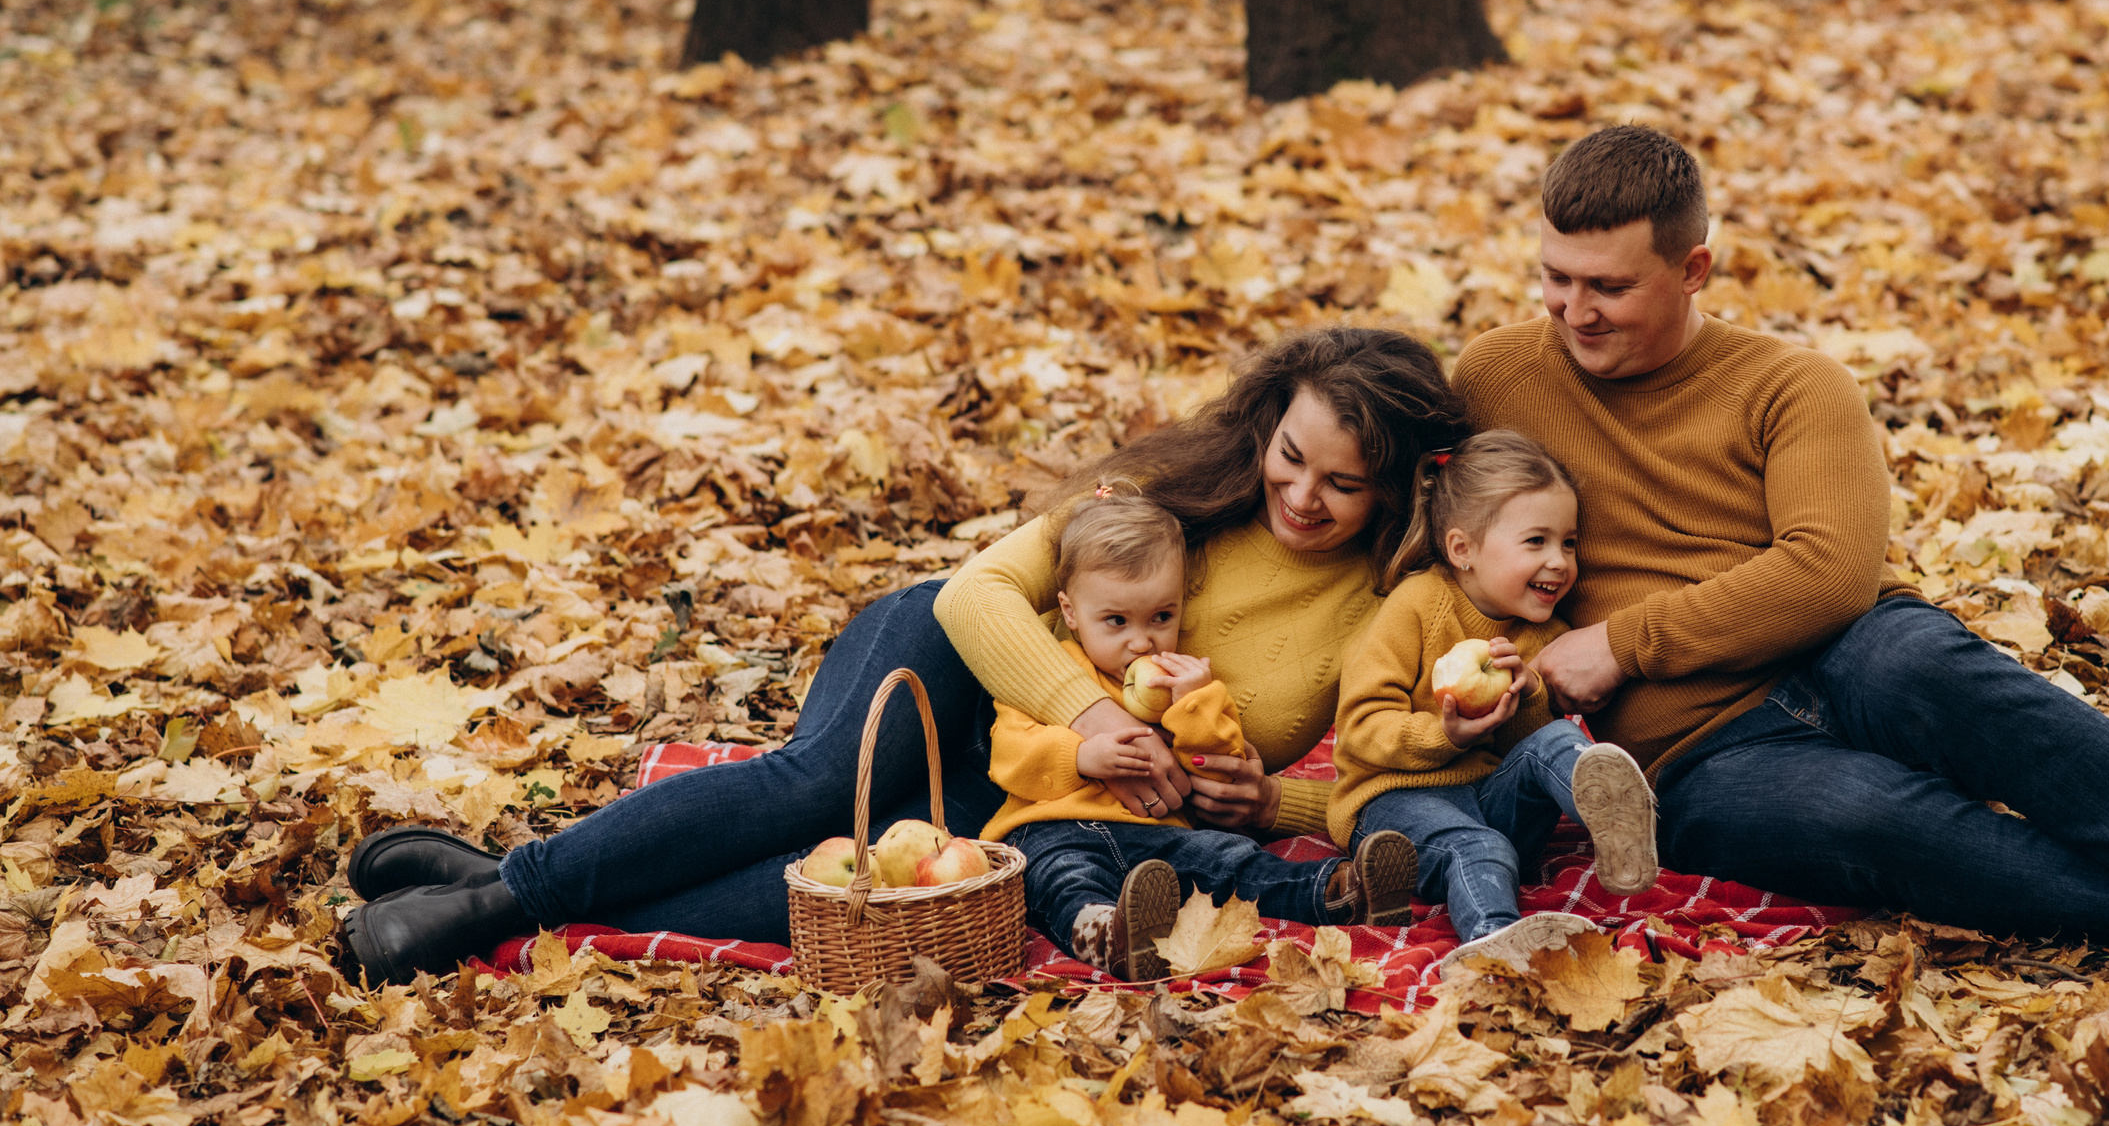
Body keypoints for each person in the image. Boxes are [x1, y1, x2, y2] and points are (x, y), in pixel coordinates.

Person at [1459, 125, 2109, 997]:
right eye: (1555, 278)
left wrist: (1623, 643)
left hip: (1848, 654)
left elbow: (1827, 573)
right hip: (1700, 755)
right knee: (1871, 821)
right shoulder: (1498, 378)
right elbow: (1420, 533)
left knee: (1927, 665)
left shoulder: (1792, 386)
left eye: (1608, 287)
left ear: (1694, 269)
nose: (1573, 311)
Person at [337, 326, 1467, 982]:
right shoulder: (1182, 489)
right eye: (1289, 456)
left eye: (1342, 482)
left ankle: (492, 878)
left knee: (875, 887)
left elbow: (1393, 776)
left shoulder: (1392, 605)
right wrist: (1091, 715)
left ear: (1399, 485)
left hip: (1038, 796)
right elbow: (981, 593)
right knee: (819, 785)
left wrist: (1267, 801)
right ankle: (502, 904)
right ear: (1267, 426)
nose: (1300, 495)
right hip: (955, 662)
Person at [989, 482, 1416, 980]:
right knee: (1060, 880)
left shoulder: (1183, 683)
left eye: (1161, 617)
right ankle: (1109, 935)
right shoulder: (1051, 670)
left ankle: (1339, 892)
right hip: (1055, 829)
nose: (1141, 642)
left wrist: (1195, 703)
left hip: (1163, 835)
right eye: (1116, 621)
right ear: (1070, 612)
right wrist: (1082, 757)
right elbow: (1009, 753)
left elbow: (1218, 767)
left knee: (1226, 861)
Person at [1329, 430, 1659, 971]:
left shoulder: (1544, 635)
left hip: (1490, 799)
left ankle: (1619, 825)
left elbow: (1524, 745)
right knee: (1480, 847)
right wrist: (1444, 734)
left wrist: (1529, 694)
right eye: (1537, 541)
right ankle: (1494, 951)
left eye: (1569, 543)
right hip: (1395, 801)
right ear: (1463, 550)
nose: (1559, 561)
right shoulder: (1417, 605)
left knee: (1557, 738)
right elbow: (1360, 727)